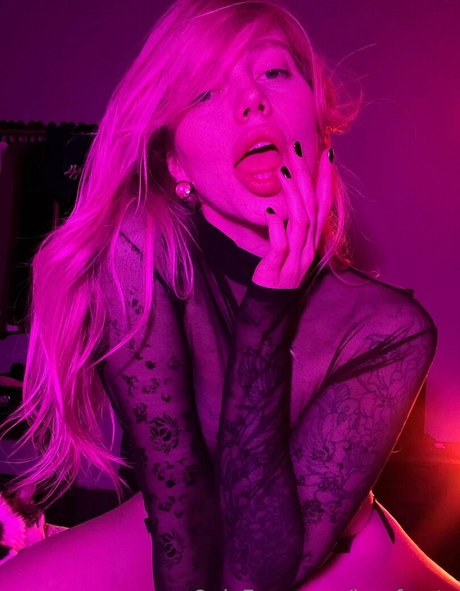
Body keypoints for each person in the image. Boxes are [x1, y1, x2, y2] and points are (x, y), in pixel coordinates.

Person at [0, 0, 459, 589]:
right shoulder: (136, 256)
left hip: (349, 563)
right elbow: (183, 519)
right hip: (174, 530)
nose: (251, 101)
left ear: (318, 123)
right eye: (205, 91)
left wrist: (268, 311)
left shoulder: (390, 328)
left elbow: (255, 573)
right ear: (175, 161)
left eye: (274, 71)